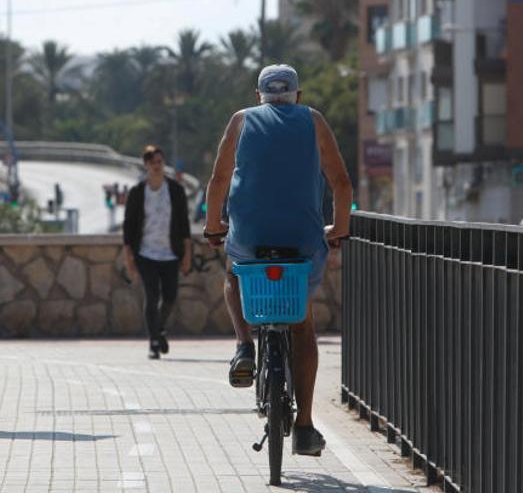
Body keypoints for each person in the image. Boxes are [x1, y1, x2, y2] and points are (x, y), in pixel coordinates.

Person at [203, 65, 352, 456]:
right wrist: (340, 230)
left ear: (259, 97)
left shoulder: (241, 120)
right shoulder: (314, 121)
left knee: (234, 274)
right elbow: (341, 182)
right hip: (303, 240)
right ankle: (304, 426)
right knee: (302, 325)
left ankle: (243, 347)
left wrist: (213, 225)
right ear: (297, 96)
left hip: (250, 237)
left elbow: (218, 181)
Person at [122, 145, 192, 359]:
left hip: (170, 253)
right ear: (146, 165)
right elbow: (129, 228)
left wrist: (187, 254)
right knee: (152, 296)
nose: (157, 166)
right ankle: (153, 341)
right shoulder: (137, 192)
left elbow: (184, 225)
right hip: (145, 253)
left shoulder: (175, 190)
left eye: (160, 162)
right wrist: (129, 258)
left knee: (170, 296)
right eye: (153, 162)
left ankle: (159, 328)